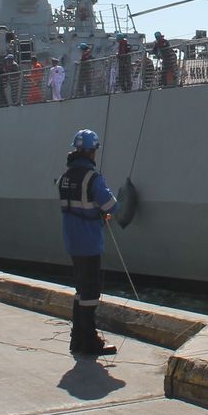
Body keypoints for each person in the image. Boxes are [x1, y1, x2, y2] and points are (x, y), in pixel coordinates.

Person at [58, 129, 118, 356]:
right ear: (92, 151)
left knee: (80, 289)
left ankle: (77, 338)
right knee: (91, 291)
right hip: (90, 240)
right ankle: (90, 341)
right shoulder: (92, 178)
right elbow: (111, 205)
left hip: (71, 240)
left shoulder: (65, 178)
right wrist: (103, 213)